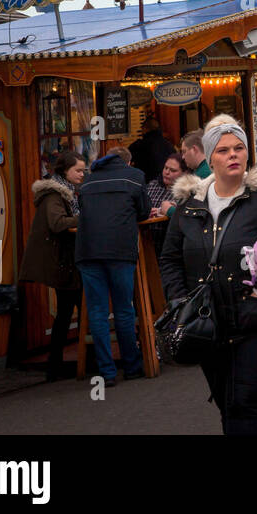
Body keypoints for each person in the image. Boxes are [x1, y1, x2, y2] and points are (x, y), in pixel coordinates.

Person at [161, 115, 257, 435]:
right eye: (223, 150)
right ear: (209, 157)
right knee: (227, 404)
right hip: (207, 323)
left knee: (244, 404)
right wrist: (179, 300)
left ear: (247, 154)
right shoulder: (190, 206)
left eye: (239, 148)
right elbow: (171, 258)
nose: (232, 155)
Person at [75, 145, 151, 384]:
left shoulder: (87, 180)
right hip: (120, 250)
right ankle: (132, 366)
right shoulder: (135, 177)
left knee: (97, 312)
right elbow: (144, 212)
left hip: (87, 250)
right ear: (128, 163)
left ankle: (107, 372)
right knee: (124, 309)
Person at [20, 151, 85, 382]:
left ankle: (57, 365)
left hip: (66, 260)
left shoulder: (67, 192)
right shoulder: (54, 194)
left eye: (83, 169)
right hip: (62, 261)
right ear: (64, 171)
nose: (82, 173)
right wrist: (87, 217)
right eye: (78, 169)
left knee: (69, 310)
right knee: (76, 309)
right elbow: (58, 224)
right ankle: (62, 365)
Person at [145, 153, 187, 259]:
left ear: (184, 173)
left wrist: (163, 210)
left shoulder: (185, 192)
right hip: (147, 244)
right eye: (166, 168)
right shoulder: (151, 185)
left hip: (170, 247)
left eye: (173, 170)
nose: (167, 172)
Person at [129, 119, 176, 185]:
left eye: (142, 129)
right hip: (166, 183)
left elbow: (126, 159)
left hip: (145, 183)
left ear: (145, 129)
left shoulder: (139, 145)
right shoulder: (169, 145)